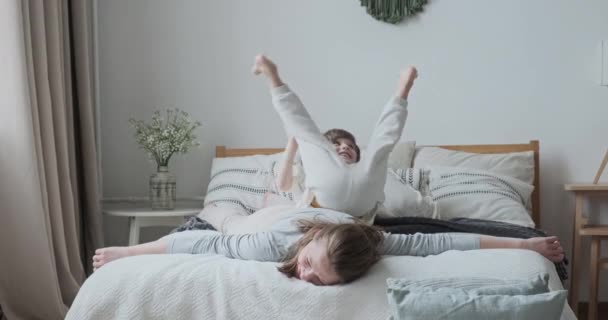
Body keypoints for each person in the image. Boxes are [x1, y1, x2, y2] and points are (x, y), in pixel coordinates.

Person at [93, 207, 565, 286]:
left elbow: (439, 240)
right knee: (223, 219)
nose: (305, 276)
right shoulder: (270, 246)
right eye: (311, 265)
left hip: (345, 219)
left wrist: (524, 244)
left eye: (320, 280)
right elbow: (199, 245)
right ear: (313, 242)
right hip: (269, 219)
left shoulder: (377, 244)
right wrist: (127, 254)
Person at [253, 55, 416, 222]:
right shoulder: (311, 167)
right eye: (337, 144)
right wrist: (293, 143)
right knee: (383, 141)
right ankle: (403, 89)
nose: (345, 147)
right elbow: (283, 185)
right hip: (353, 206)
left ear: (357, 157)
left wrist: (300, 136)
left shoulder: (360, 166)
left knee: (379, 144)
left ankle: (271, 75)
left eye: (351, 146)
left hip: (360, 192)